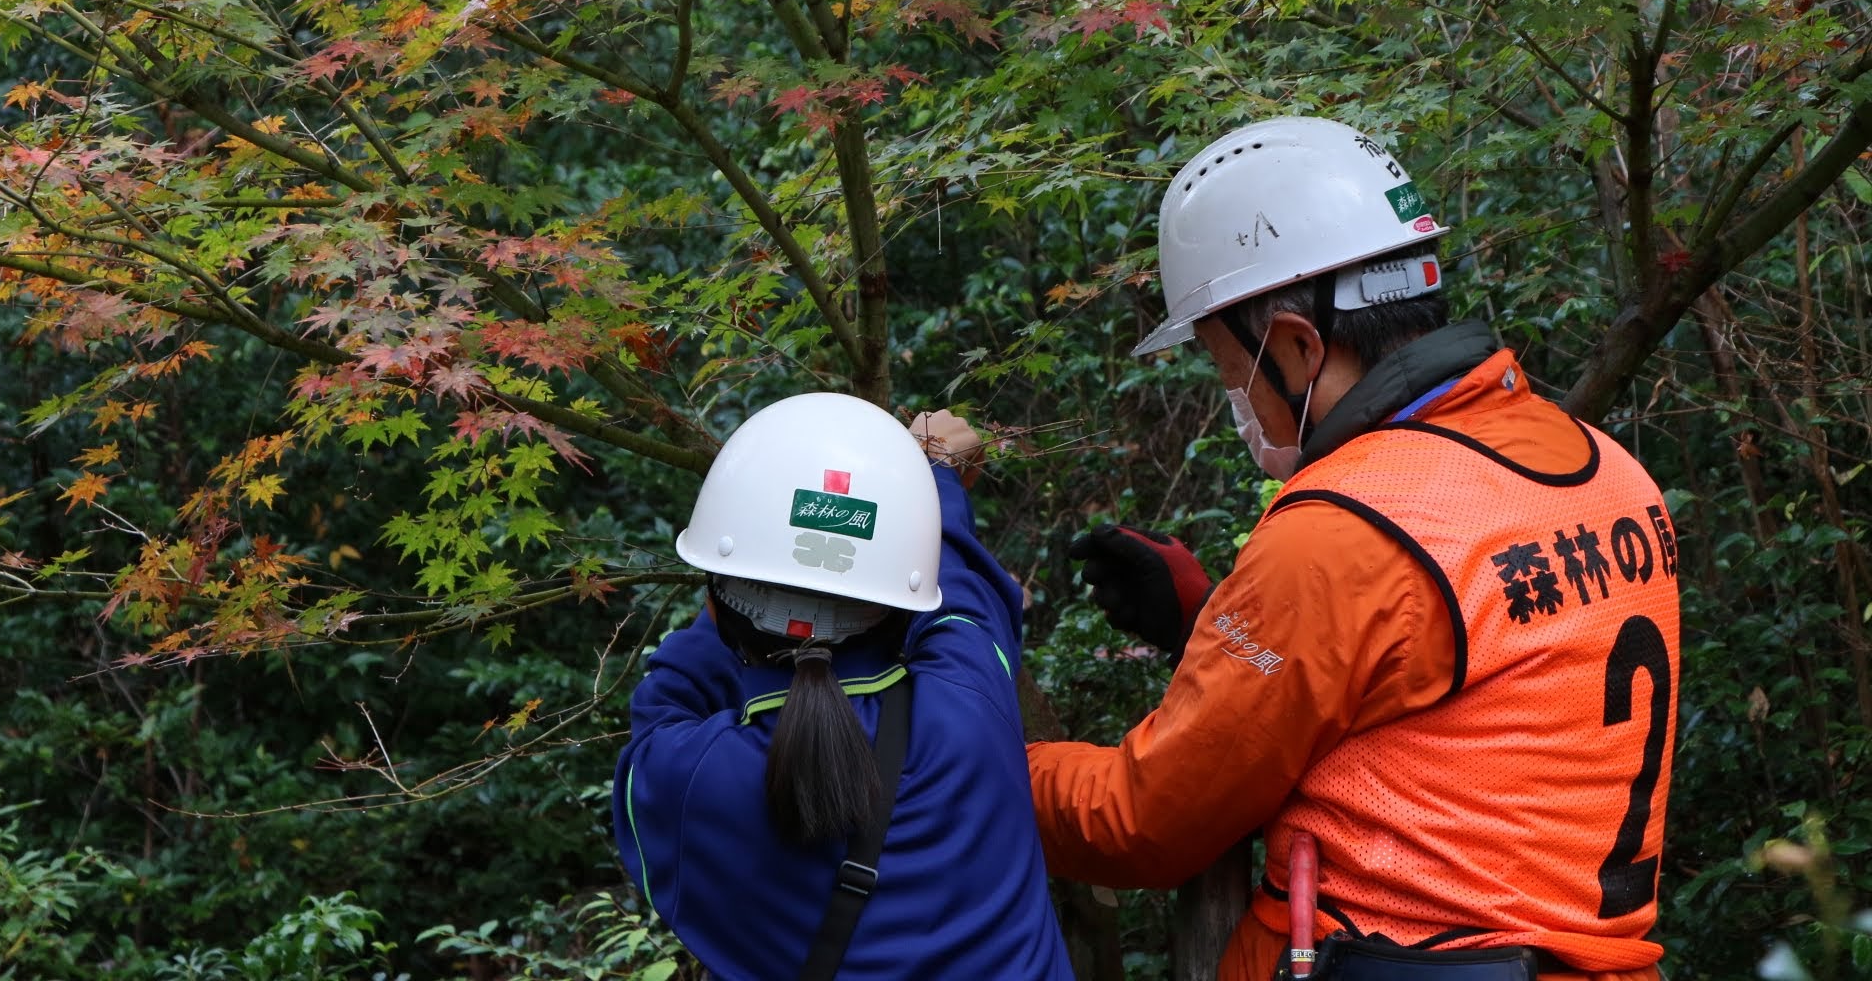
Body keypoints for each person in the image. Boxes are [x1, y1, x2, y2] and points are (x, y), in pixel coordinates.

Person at [1024, 116, 1680, 981]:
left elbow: (1141, 822)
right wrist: (1213, 622)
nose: (1234, 399)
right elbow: (1447, 690)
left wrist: (968, 752)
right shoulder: (1607, 470)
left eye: (1229, 371)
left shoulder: (1348, 528)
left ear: (1296, 346)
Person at [614, 392, 1075, 981]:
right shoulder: (972, 703)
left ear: (715, 595)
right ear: (905, 602)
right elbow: (962, 590)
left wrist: (768, 553)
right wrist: (932, 474)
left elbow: (673, 687)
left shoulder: (685, 778)